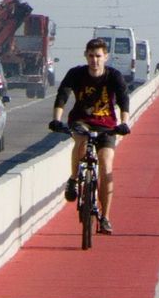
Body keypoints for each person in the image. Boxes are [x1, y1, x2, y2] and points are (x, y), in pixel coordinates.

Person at [47, 38, 132, 234]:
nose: (95, 61)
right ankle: (74, 179)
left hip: (107, 125)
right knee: (82, 141)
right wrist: (56, 119)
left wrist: (124, 122)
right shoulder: (76, 74)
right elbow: (63, 94)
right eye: (91, 56)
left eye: (99, 56)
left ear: (106, 57)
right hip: (81, 120)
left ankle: (105, 217)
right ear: (86, 55)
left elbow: (123, 99)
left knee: (106, 165)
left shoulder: (114, 76)